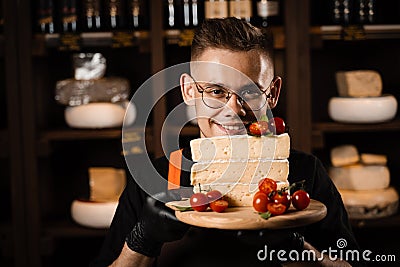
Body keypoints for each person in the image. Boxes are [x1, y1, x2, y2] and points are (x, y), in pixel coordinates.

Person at [91, 18, 364, 267]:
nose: (234, 109)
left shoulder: (307, 172)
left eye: (251, 92)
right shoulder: (154, 179)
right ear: (188, 91)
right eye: (216, 91)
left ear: (273, 94)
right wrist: (141, 240)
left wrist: (294, 249)